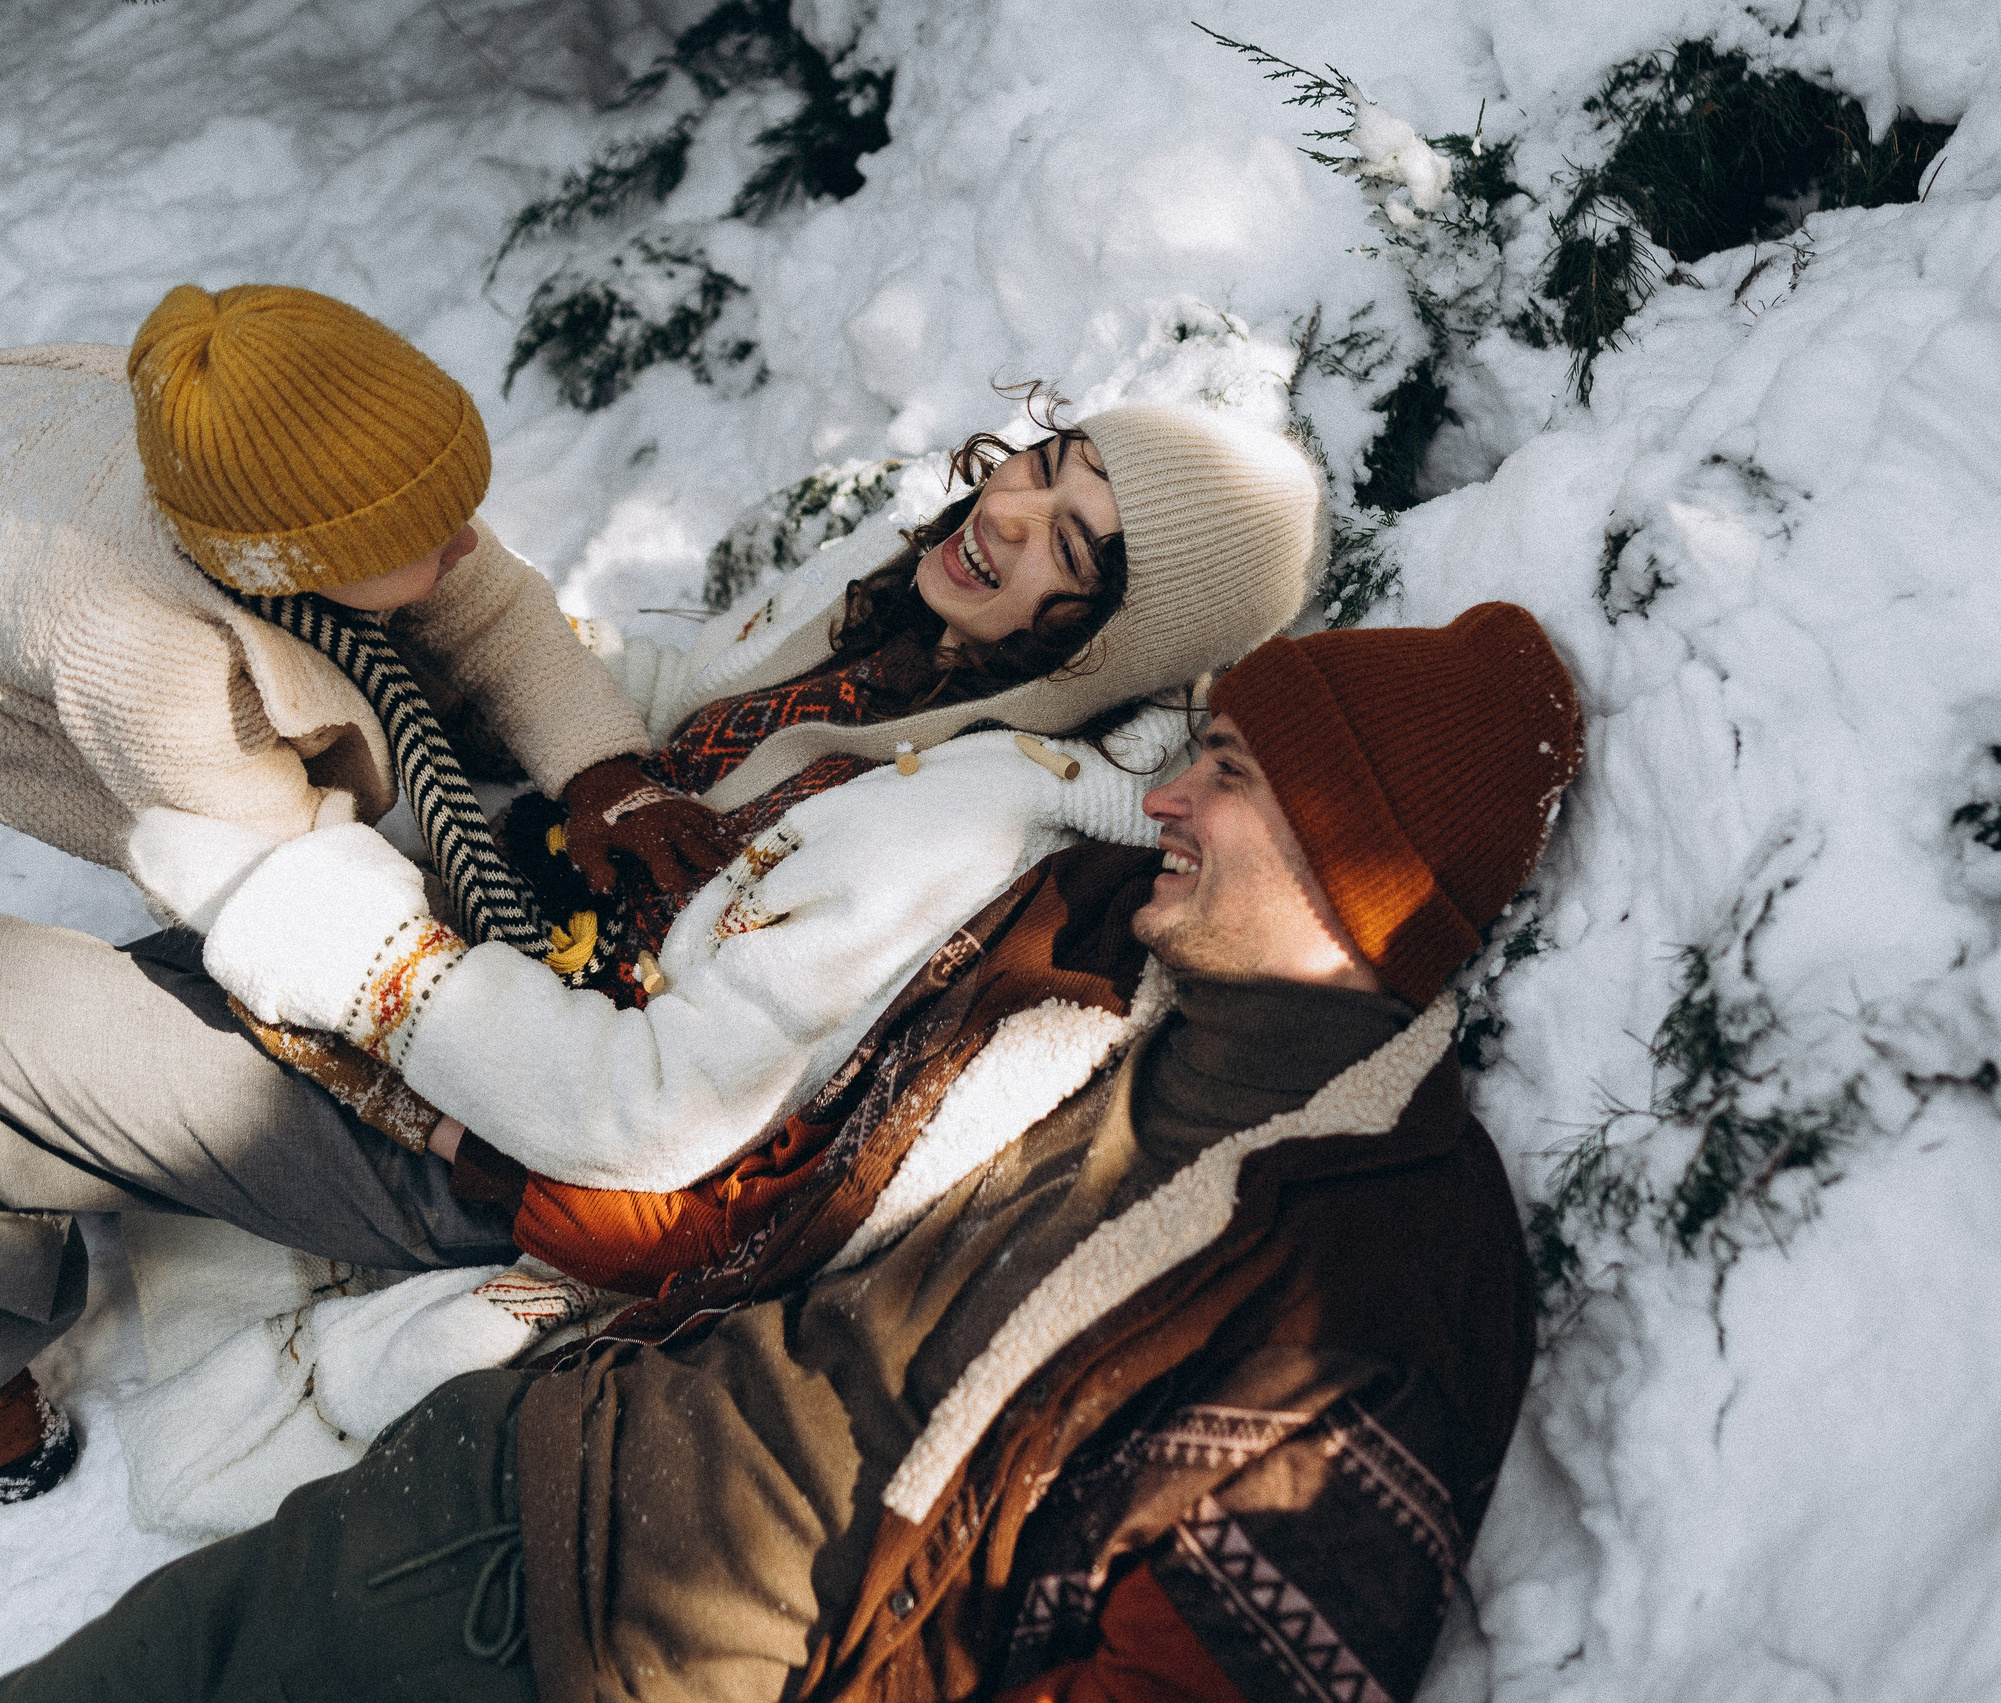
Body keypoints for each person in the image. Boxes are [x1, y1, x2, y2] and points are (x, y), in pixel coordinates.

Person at [1, 600, 1582, 1703]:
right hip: (502, 1469)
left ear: (1357, 850)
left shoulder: (1387, 1255)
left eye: (1231, 770)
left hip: (607, 1640)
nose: (1165, 790)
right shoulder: (1113, 968)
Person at [0, 396, 1325, 1499]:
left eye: (1073, 547)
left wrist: (356, 941)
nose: (1011, 516)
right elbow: (680, 708)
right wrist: (503, 644)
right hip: (499, 944)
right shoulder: (900, 621)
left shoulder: (964, 823)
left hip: (474, 1128)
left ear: (1117, 636)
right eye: (1043, 464)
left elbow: (646, 1115)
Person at [0, 281, 736, 1500]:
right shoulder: (144, 657)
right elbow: (299, 921)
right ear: (282, 563)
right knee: (205, 928)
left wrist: (605, 770)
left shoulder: (289, 464)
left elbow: (488, 608)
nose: (466, 542)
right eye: (425, 536)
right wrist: (442, 1118)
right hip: (93, 680)